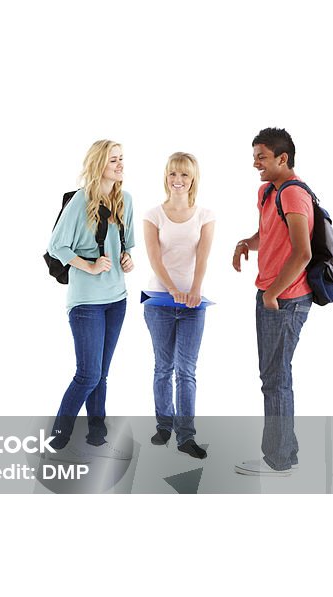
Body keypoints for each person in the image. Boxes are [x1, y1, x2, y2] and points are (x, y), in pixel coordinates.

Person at [232, 127, 313, 476]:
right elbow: (268, 235)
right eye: (254, 157)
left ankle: (277, 460)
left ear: (283, 158)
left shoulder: (294, 195)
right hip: (272, 295)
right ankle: (286, 453)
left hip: (285, 300)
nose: (255, 164)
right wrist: (246, 243)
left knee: (275, 378)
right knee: (277, 376)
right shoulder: (268, 192)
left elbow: (303, 253)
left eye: (261, 157)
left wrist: (272, 294)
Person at [47, 139, 135, 451]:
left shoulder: (125, 199)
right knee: (88, 374)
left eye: (121, 159)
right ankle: (61, 432)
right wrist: (89, 265)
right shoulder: (80, 200)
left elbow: (127, 247)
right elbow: (56, 246)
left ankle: (97, 432)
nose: (120, 165)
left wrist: (127, 259)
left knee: (102, 375)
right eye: (113, 160)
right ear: (99, 165)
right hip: (86, 302)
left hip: (118, 299)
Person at [142, 152, 215, 459]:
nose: (178, 180)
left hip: (193, 305)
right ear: (166, 177)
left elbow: (203, 256)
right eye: (173, 174)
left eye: (184, 175)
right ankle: (164, 426)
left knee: (186, 370)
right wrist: (172, 290)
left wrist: (194, 290)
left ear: (193, 178)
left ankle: (186, 436)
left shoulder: (205, 215)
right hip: (159, 300)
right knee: (163, 367)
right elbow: (155, 258)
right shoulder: (153, 214)